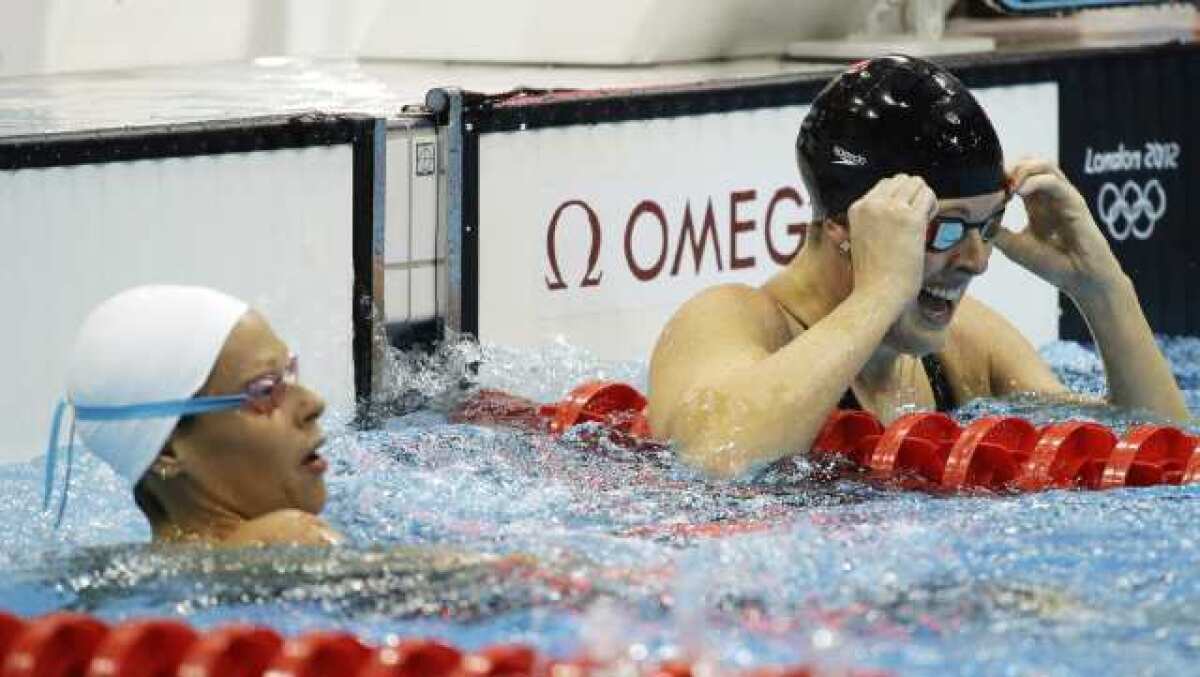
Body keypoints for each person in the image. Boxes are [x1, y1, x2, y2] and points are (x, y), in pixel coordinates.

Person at [646, 55, 1189, 478]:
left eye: (988, 226)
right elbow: (716, 453)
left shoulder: (966, 345)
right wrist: (878, 295)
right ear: (844, 222)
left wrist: (1103, 293)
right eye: (944, 227)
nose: (976, 260)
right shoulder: (732, 320)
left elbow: (1158, 454)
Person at [43, 285, 341, 545]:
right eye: (264, 389)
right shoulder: (292, 541)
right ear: (168, 451)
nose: (314, 403)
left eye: (289, 372)